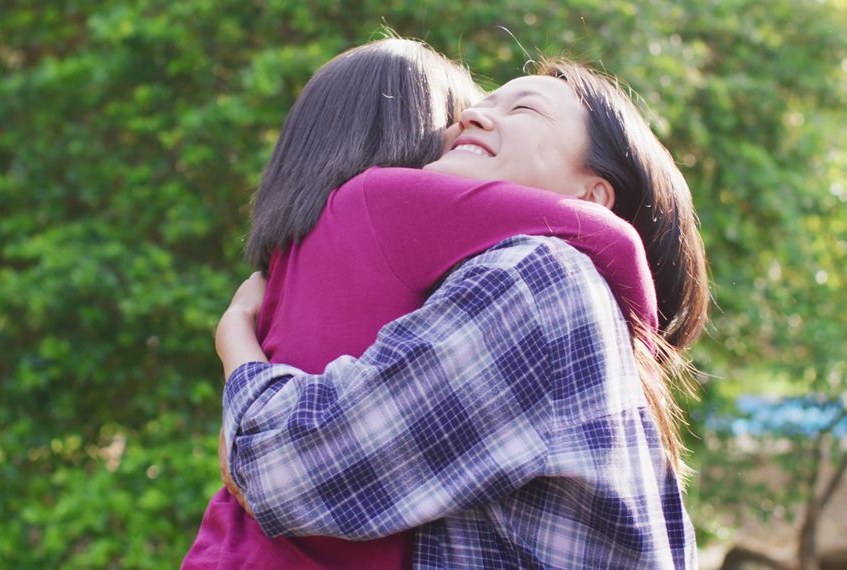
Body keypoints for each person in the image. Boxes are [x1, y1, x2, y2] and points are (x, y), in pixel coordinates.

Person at [183, 40, 659, 569]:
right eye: (461, 113)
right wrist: (638, 288)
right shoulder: (383, 200)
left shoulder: (294, 251)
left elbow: (262, 464)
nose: (473, 117)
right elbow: (603, 235)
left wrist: (236, 353)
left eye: (521, 107)